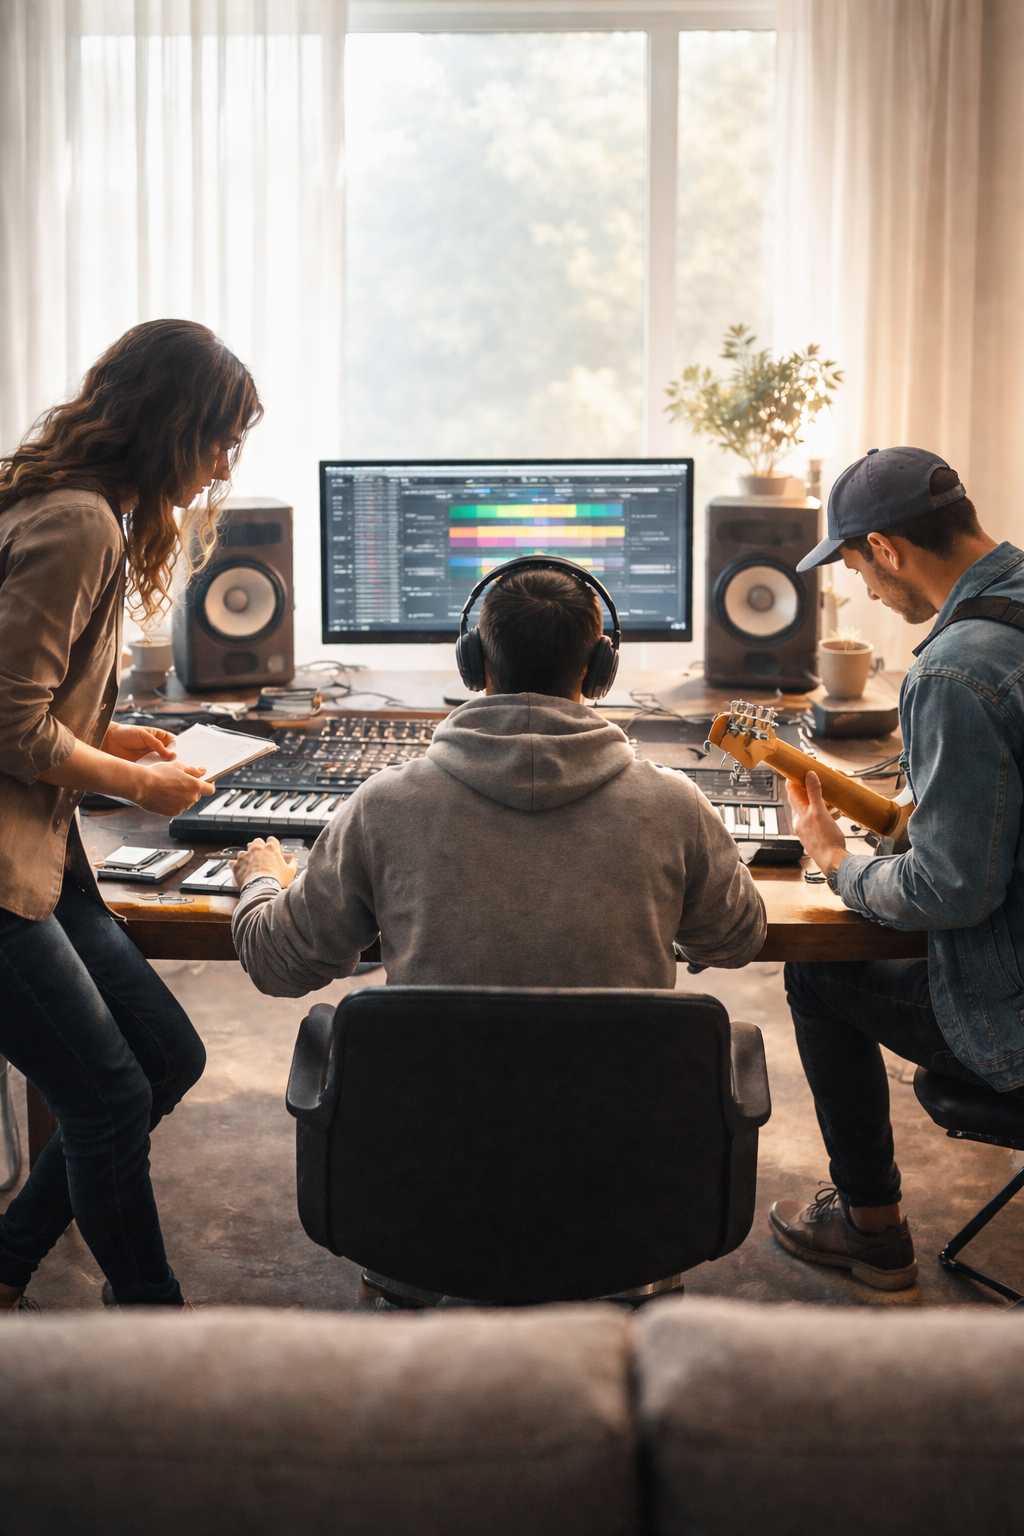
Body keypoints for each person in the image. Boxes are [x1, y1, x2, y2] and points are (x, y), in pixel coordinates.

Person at [0, 319, 262, 1313]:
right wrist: (136, 781)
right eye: (218, 440)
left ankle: (3, 1263)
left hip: (44, 855)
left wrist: (110, 744)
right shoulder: (81, 524)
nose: (223, 466)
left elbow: (31, 705)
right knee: (109, 1096)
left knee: (165, 1059)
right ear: (168, 424)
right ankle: (154, 1322)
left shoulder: (68, 505)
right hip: (5, 871)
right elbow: (7, 720)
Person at [230, 561, 766, 995]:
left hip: (435, 1098)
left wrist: (261, 878)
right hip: (619, 1098)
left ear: (475, 664)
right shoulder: (674, 805)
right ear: (597, 670)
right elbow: (735, 941)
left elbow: (279, 965)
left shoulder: (382, 805)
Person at [768, 445, 1024, 1291]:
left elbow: (951, 890)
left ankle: (873, 1232)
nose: (871, 594)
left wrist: (837, 861)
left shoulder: (955, 670)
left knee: (816, 971)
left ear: (885, 548)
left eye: (858, 569)